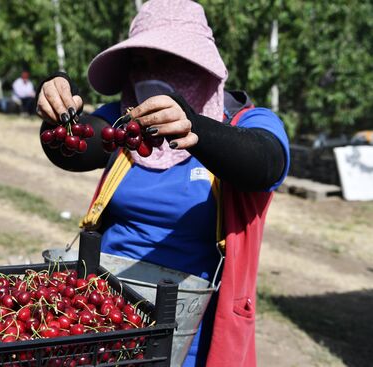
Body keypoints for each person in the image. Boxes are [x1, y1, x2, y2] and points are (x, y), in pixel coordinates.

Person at [36, 1, 290, 366]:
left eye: (166, 58)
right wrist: (56, 110)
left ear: (200, 65)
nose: (149, 73)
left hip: (189, 331)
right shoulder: (126, 121)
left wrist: (194, 126)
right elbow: (72, 150)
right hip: (104, 314)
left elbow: (265, 164)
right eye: (140, 62)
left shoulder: (248, 122)